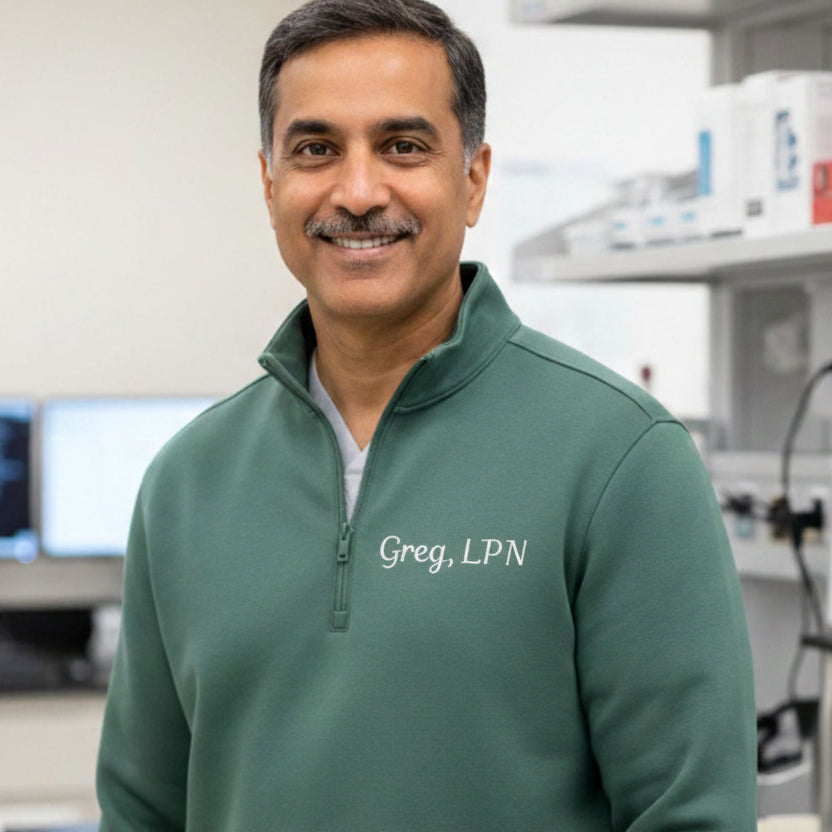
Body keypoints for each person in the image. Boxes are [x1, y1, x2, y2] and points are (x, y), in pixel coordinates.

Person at [95, 0, 757, 829]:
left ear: (473, 179)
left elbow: (689, 814)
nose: (360, 191)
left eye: (403, 146)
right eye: (316, 149)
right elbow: (139, 812)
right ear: (270, 185)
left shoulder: (621, 457)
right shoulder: (186, 482)